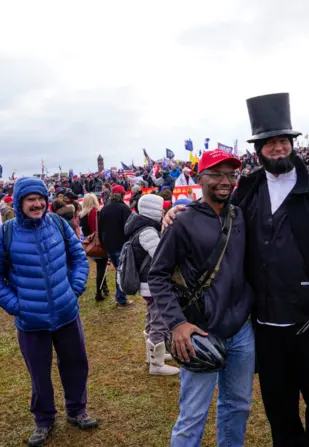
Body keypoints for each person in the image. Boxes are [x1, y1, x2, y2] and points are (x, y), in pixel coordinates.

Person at [164, 93, 309, 446]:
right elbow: (215, 212)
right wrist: (179, 211)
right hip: (267, 327)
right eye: (269, 143)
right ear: (258, 149)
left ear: (292, 144)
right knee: (279, 411)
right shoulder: (247, 190)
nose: (276, 148)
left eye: (282, 141)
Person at [149, 149, 255, 446]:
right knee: (193, 415)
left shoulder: (241, 216)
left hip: (240, 330)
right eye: (216, 174)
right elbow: (158, 275)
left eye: (230, 174)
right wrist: (177, 324)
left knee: (238, 406)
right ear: (200, 179)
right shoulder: (182, 222)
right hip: (199, 332)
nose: (225, 181)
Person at [0, 177, 96, 447]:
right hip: (31, 321)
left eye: (40, 198)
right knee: (39, 373)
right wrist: (17, 306)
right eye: (30, 199)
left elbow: (79, 258)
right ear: (20, 202)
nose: (37, 204)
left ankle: (77, 410)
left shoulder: (58, 224)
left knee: (76, 364)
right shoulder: (5, 233)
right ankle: (44, 420)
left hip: (66, 313)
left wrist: (75, 288)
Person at [123, 193, 179, 376]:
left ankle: (153, 353)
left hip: (147, 283)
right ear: (154, 210)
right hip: (151, 283)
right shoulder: (147, 231)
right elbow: (160, 256)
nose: (163, 211)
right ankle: (156, 363)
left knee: (152, 317)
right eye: (161, 208)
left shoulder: (140, 227)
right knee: (159, 320)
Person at [98, 185, 133, 307]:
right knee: (121, 272)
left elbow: (100, 229)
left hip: (109, 246)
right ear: (122, 195)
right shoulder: (124, 208)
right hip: (121, 245)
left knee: (120, 271)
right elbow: (130, 227)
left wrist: (104, 245)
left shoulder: (104, 209)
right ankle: (121, 298)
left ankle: (121, 297)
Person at [79, 193, 109, 301]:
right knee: (101, 268)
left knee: (100, 266)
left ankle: (104, 286)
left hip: (89, 244)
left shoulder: (82, 215)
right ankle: (99, 291)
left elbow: (85, 231)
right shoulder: (98, 213)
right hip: (99, 243)